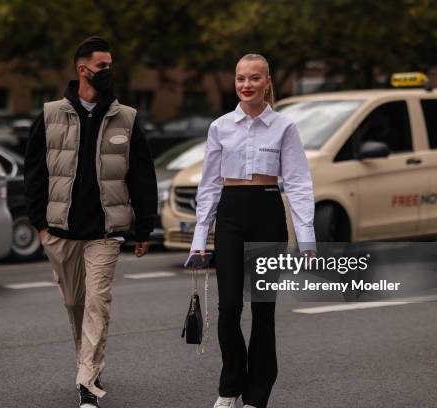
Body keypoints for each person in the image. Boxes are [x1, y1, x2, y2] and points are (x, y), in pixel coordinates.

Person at [24, 36, 158, 408]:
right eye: (102, 66)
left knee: (98, 302)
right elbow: (33, 174)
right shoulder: (51, 114)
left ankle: (86, 384)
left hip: (106, 231)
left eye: (111, 65)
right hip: (61, 230)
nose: (109, 72)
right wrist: (41, 224)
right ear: (83, 70)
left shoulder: (125, 118)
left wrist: (144, 228)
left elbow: (142, 178)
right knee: (76, 304)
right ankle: (91, 365)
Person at [189, 54, 316, 408]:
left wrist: (307, 240)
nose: (247, 85)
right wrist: (199, 241)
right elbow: (210, 186)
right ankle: (229, 388)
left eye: (254, 78)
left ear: (268, 82)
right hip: (230, 216)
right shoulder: (220, 127)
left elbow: (299, 183)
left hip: (267, 214)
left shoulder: (285, 127)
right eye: (241, 78)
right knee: (228, 308)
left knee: (262, 311)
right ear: (235, 82)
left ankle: (256, 396)